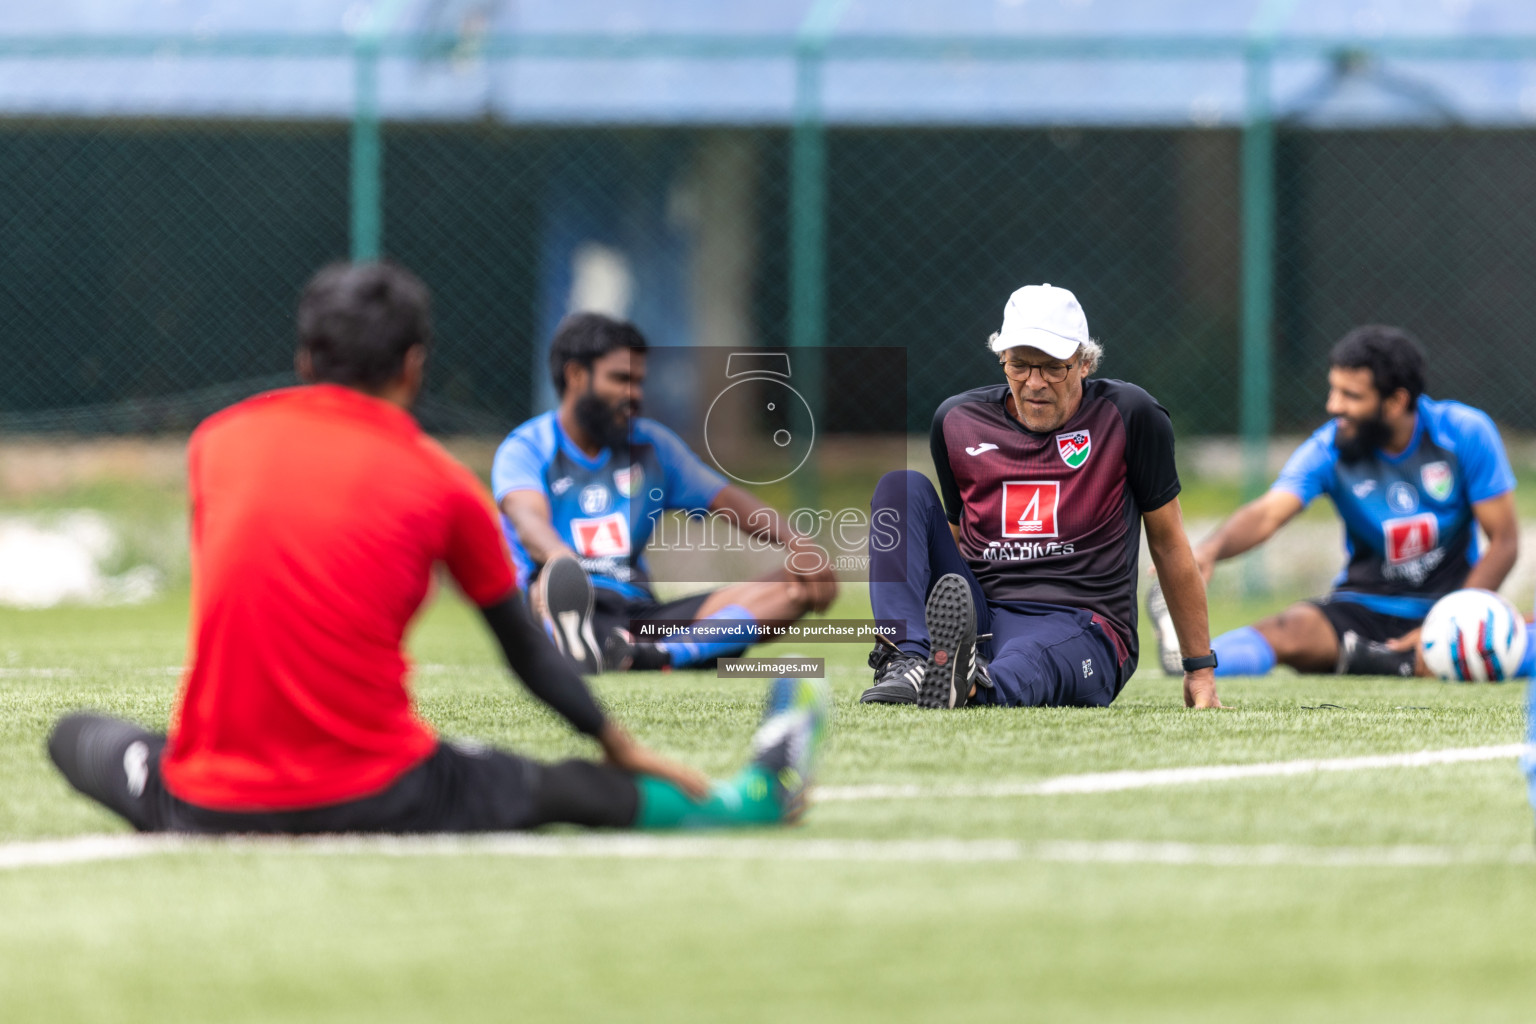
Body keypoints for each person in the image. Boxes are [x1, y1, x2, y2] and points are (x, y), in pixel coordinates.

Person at [46, 262, 827, 835]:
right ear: (414, 367)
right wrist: (617, 743)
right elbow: (522, 648)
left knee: (74, 735)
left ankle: (645, 649)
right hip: (386, 790)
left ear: (306, 356)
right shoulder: (444, 482)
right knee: (563, 789)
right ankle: (746, 801)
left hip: (207, 801)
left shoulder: (214, 445)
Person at [860, 283, 1220, 710]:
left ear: (1084, 363)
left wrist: (1199, 669)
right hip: (984, 616)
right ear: (1002, 360)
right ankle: (909, 659)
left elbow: (1168, 541)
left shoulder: (1129, 415)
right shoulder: (956, 421)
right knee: (900, 488)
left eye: (1052, 367)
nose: (1034, 383)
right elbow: (952, 544)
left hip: (1085, 626)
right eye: (1020, 366)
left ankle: (973, 686)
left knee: (1029, 659)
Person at [1147, 324, 1522, 679]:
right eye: (1333, 390)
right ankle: (1189, 660)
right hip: (1364, 608)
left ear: (1395, 401)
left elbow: (1504, 542)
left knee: (1518, 639)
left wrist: (1448, 624)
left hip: (1452, 606)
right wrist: (1209, 551)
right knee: (1289, 630)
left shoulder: (1464, 433)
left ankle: (1381, 660)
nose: (1333, 405)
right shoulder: (1331, 447)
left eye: (1351, 396)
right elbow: (1267, 513)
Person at [493, 312, 838, 673]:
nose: (635, 394)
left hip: (641, 616)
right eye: (621, 379)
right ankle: (596, 644)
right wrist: (560, 561)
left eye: (639, 382)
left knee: (795, 586)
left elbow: (726, 499)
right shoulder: (528, 447)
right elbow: (525, 516)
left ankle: (659, 654)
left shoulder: (653, 447)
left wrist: (799, 543)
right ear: (577, 376)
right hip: (563, 601)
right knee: (544, 597)